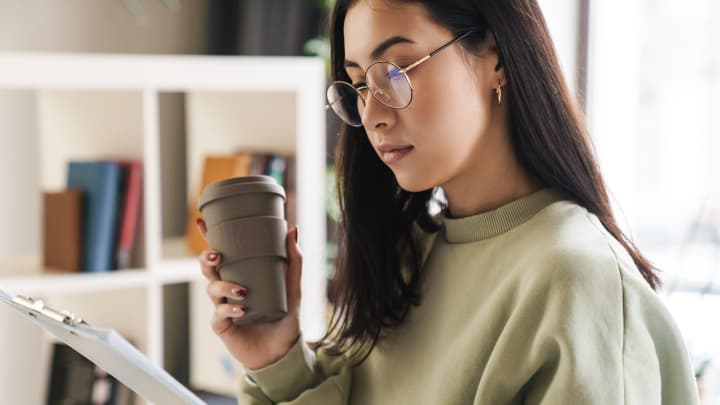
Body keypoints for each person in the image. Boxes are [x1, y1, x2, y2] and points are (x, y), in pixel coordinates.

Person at [196, 0, 701, 403]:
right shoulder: (406, 255)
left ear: (495, 57)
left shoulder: (575, 279)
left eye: (395, 70)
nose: (373, 114)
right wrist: (276, 357)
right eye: (357, 84)